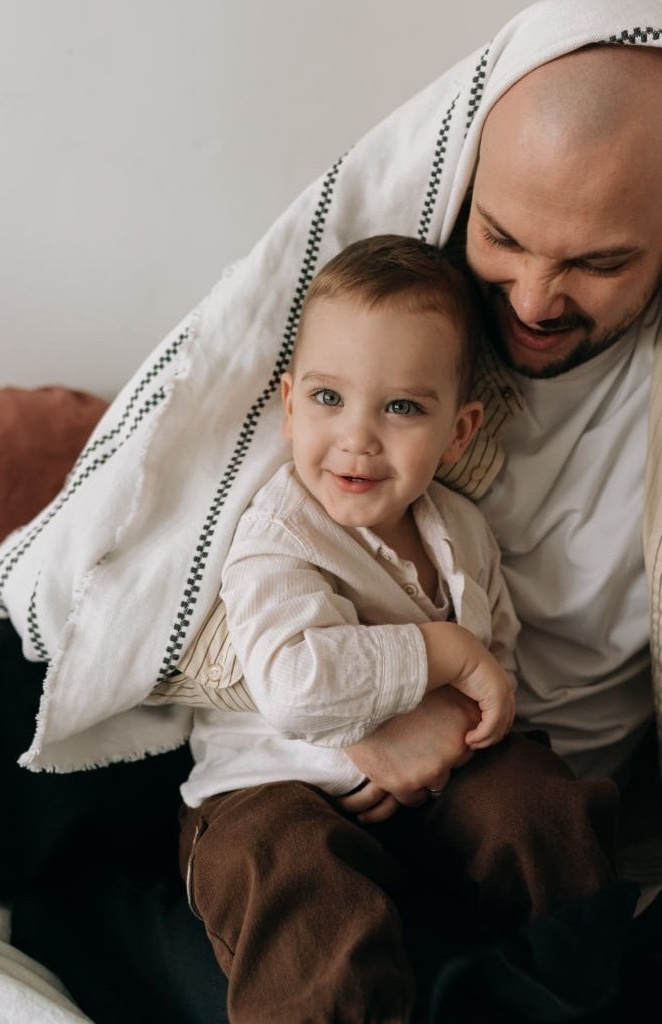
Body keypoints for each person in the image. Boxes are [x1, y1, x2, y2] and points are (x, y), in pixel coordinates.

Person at [0, 0, 662, 1003]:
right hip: (282, 754)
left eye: (598, 262)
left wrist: (466, 715)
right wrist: (376, 717)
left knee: (547, 879)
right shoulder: (383, 328)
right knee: (273, 894)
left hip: (512, 779)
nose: (533, 298)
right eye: (503, 238)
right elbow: (163, 577)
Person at [178, 234, 618, 1023]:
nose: (357, 437)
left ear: (458, 431)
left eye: (402, 407)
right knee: (293, 877)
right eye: (328, 398)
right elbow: (294, 687)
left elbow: (496, 662)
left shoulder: (461, 531)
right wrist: (441, 650)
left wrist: (475, 725)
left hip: (435, 786)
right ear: (288, 406)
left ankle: (564, 986)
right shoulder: (279, 531)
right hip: (272, 789)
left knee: (538, 802)